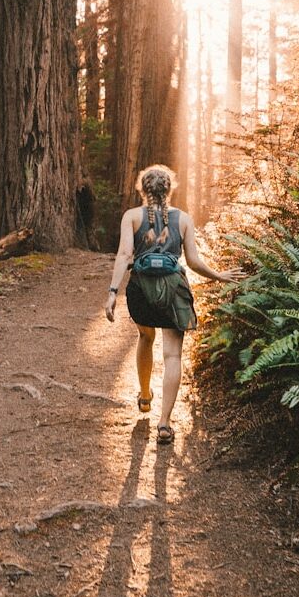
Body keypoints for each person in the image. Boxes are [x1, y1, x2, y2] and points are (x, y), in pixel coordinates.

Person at [105, 164, 244, 444]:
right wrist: (218, 275)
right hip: (173, 291)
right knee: (172, 356)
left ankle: (145, 395)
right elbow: (192, 262)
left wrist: (112, 293)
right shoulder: (183, 219)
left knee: (145, 337)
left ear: (142, 190)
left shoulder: (132, 216)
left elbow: (123, 255)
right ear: (169, 190)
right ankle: (165, 423)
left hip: (141, 292)